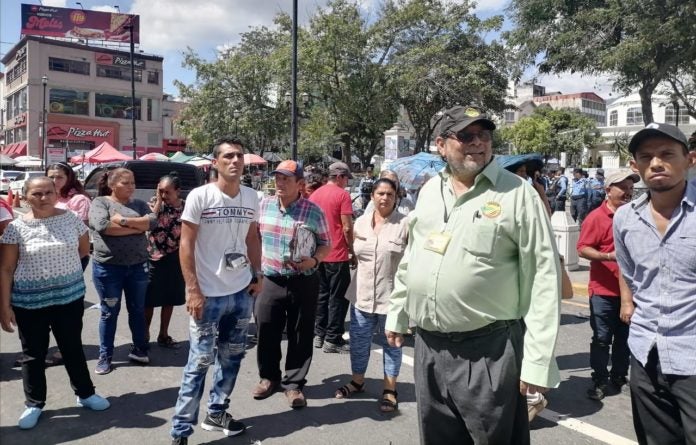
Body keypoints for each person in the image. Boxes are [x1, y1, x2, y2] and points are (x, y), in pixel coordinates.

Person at [385, 106, 561, 444]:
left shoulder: (518, 193)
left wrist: (538, 362)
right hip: (429, 348)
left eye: (484, 135)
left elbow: (543, 278)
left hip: (488, 352)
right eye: (466, 136)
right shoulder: (429, 192)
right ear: (441, 144)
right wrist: (399, 311)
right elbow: (413, 256)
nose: (478, 143)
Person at [170, 137, 262, 445]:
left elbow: (252, 238)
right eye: (228, 157)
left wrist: (256, 274)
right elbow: (186, 244)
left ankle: (217, 411)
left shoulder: (251, 196)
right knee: (199, 362)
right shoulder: (200, 196)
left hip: (240, 292)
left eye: (239, 156)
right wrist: (192, 289)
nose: (235, 161)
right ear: (215, 163)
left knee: (232, 357)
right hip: (207, 295)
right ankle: (181, 430)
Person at [0, 177, 110, 430]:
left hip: (68, 299)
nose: (44, 197)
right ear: (26, 197)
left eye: (49, 192)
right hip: (29, 302)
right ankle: (34, 403)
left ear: (56, 193)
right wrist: (3, 306)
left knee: (72, 347)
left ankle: (85, 394)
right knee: (33, 354)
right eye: (37, 193)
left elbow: (83, 251)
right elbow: (5, 268)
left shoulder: (70, 219)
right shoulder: (15, 229)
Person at [613, 123, 696, 445]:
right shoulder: (626, 218)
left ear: (689, 159)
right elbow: (630, 272)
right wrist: (626, 302)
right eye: (646, 157)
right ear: (635, 166)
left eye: (666, 154)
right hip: (645, 354)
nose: (656, 163)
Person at [253, 160, 330, 409]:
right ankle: (269, 377)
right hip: (270, 278)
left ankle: (294, 384)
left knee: (300, 333)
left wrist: (315, 260)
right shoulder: (262, 207)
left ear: (300, 184)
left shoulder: (313, 211)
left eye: (286, 178)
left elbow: (326, 243)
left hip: (303, 281)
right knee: (266, 329)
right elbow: (252, 240)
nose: (280, 182)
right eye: (278, 178)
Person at [335, 177, 408, 413]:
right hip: (361, 295)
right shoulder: (361, 223)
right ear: (372, 196)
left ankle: (390, 389)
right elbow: (353, 254)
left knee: (392, 345)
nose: (385, 198)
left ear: (396, 197)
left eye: (390, 194)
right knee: (358, 343)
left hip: (392, 298)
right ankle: (357, 380)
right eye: (380, 194)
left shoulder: (405, 224)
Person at [577, 170, 638, 401]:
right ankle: (600, 380)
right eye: (622, 187)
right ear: (607, 190)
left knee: (625, 339)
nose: (628, 191)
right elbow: (582, 248)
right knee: (602, 339)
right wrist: (610, 256)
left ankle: (619, 377)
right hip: (603, 292)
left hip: (631, 293)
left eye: (630, 187)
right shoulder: (596, 217)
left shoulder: (634, 215)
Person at [89, 167, 157, 375]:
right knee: (109, 313)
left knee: (137, 310)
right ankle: (105, 356)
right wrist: (139, 227)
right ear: (112, 185)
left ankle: (139, 348)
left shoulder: (139, 204)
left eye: (132, 183)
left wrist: (124, 221)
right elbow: (103, 226)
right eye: (125, 183)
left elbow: (152, 222)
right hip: (109, 268)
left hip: (137, 267)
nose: (131, 187)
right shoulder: (100, 202)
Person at [309, 161, 356, 353]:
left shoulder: (315, 194)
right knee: (338, 297)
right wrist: (351, 249)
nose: (347, 182)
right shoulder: (342, 195)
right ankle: (333, 338)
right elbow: (346, 226)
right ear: (339, 177)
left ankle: (319, 334)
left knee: (321, 295)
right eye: (345, 178)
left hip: (318, 254)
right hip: (336, 253)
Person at [145, 173, 186, 348]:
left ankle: (163, 333)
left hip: (175, 257)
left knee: (170, 298)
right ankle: (144, 336)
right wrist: (159, 203)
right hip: (153, 256)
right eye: (160, 191)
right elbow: (150, 223)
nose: (163, 195)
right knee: (149, 299)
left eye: (167, 192)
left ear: (178, 191)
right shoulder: (156, 204)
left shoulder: (187, 207)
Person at [46, 162, 91, 270]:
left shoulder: (79, 199)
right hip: (50, 253)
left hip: (72, 254)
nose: (54, 181)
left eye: (59, 177)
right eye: (51, 177)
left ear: (69, 178)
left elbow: (83, 232)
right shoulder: (49, 197)